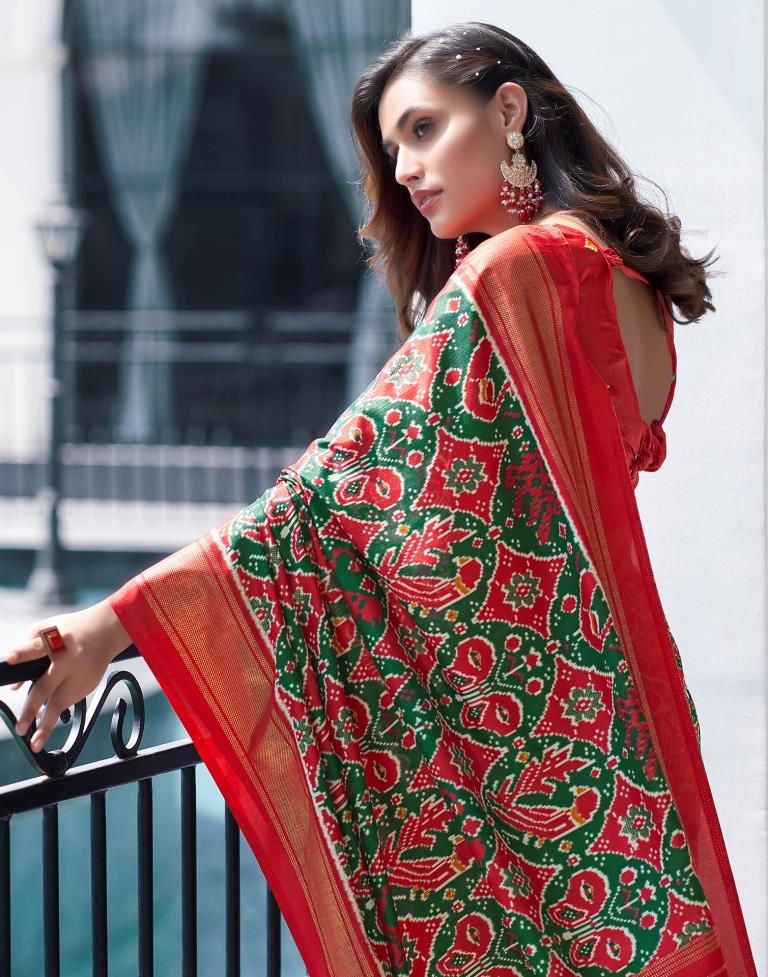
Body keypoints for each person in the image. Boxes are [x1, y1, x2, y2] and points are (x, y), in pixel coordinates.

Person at [2, 21, 758, 977]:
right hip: (625, 756)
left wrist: (120, 622)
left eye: (423, 129)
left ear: (510, 110)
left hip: (537, 779)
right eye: (391, 147)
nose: (403, 168)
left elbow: (335, 497)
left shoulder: (511, 275)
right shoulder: (631, 289)